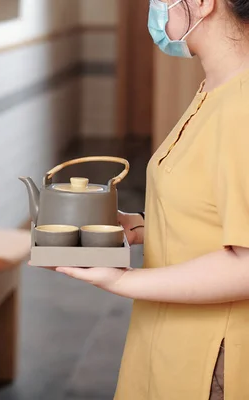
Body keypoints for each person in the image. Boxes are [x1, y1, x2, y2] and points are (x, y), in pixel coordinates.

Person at [47, 0, 249, 399]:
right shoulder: (216, 87)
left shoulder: (242, 106)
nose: (155, 9)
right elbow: (213, 210)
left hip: (211, 358)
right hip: (168, 336)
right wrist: (140, 226)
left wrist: (122, 279)